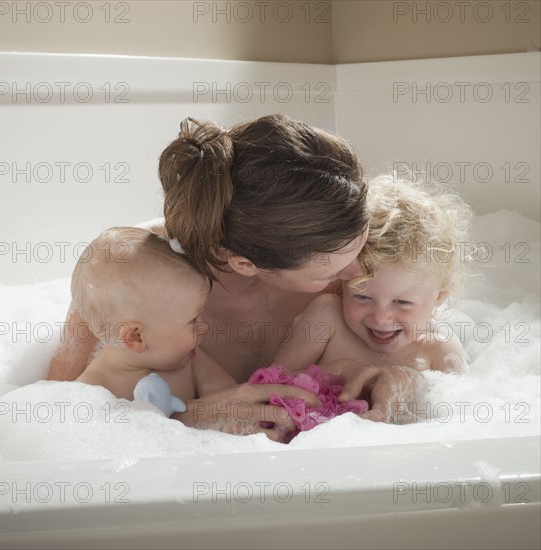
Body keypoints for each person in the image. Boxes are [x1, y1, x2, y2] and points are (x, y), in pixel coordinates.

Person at [48, 114, 415, 435]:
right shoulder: (132, 275)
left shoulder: (340, 242)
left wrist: (404, 378)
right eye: (334, 270)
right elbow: (56, 414)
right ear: (243, 263)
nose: (360, 275)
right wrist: (188, 418)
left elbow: (435, 357)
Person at [71, 227, 318, 440]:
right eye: (192, 320)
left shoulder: (189, 358)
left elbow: (231, 396)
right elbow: (99, 449)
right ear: (136, 337)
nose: (204, 327)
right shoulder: (92, 390)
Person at [273, 175, 473, 421]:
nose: (380, 317)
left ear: (439, 296)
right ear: (342, 279)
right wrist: (336, 372)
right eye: (362, 296)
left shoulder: (439, 349)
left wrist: (415, 383)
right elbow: (270, 384)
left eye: (402, 302)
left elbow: (463, 421)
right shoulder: (327, 318)